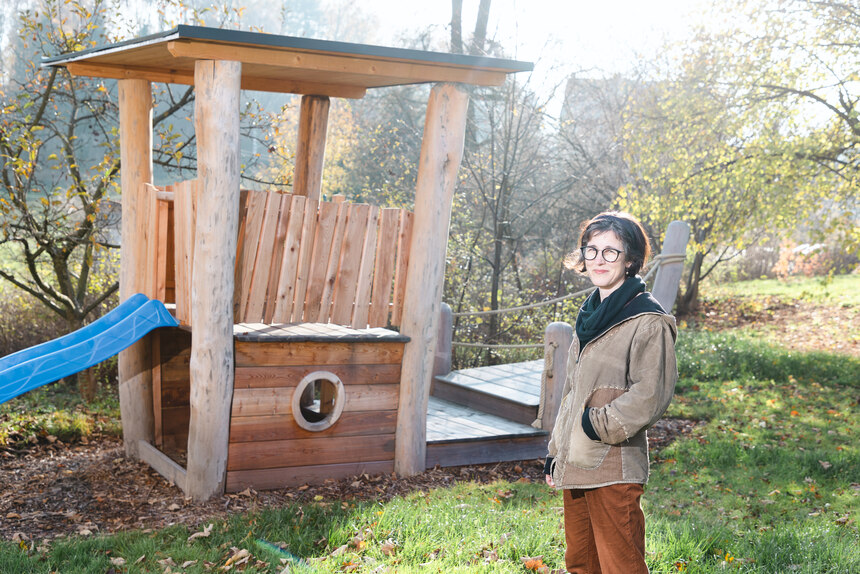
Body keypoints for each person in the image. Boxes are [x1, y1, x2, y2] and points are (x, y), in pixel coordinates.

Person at [544, 211, 678, 574]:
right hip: (576, 462)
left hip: (613, 464)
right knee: (581, 563)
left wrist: (594, 426)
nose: (599, 260)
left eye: (611, 252)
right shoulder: (589, 313)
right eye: (592, 250)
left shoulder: (648, 320)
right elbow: (573, 391)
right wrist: (557, 451)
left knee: (621, 566)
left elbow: (651, 394)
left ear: (631, 259)